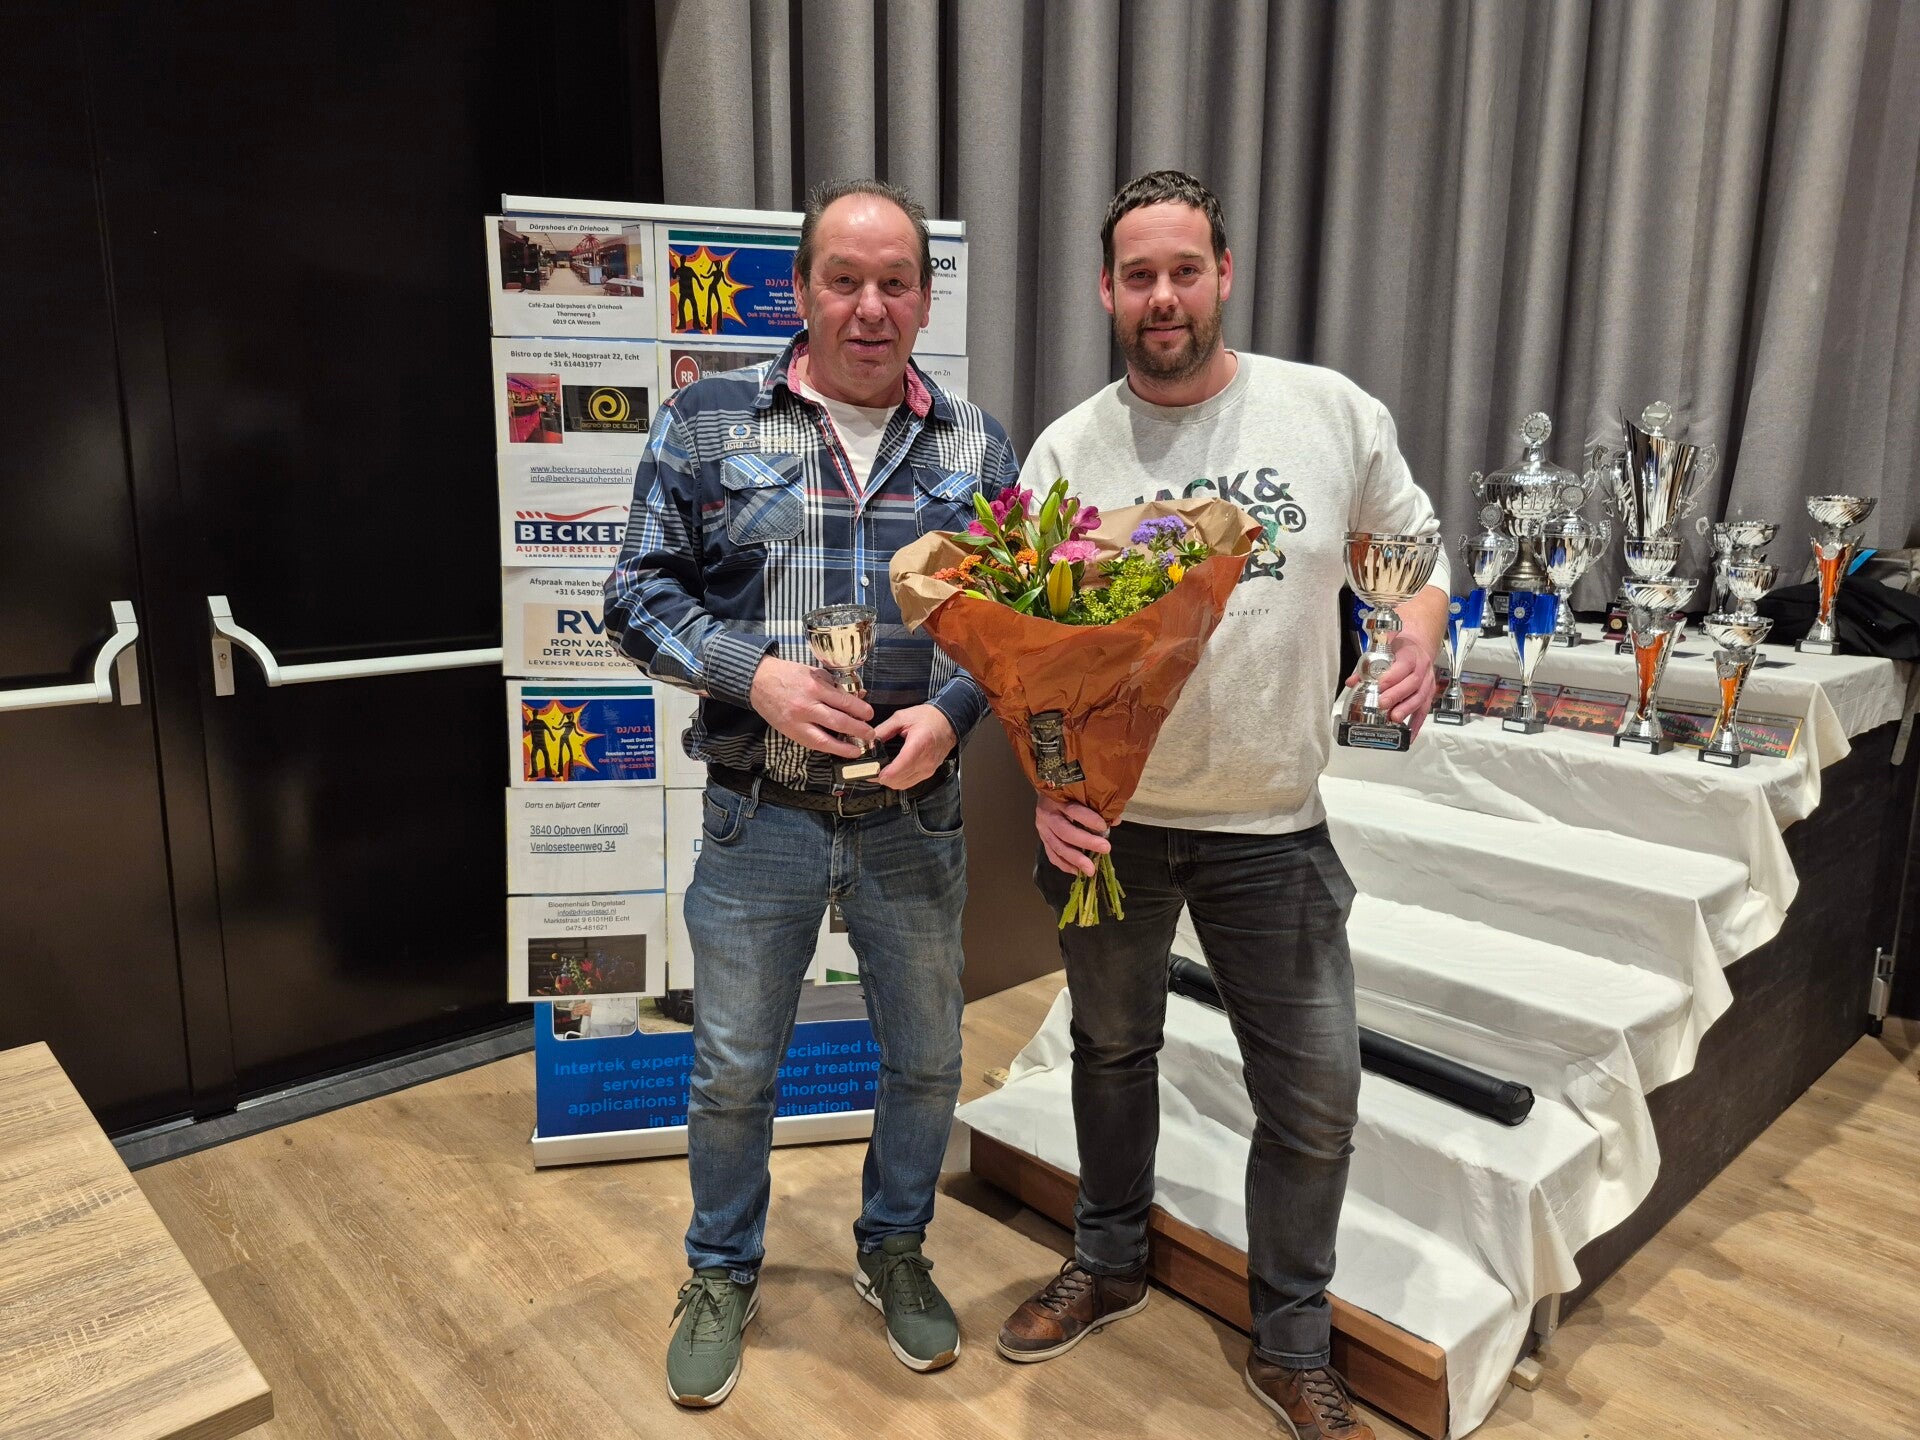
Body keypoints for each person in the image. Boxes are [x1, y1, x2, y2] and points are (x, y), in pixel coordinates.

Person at [995, 171, 1448, 1440]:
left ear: (1224, 275)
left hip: (1274, 832)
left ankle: (1292, 1341)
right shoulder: (1067, 451)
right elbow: (1025, 660)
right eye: (1138, 275)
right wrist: (1047, 788)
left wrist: (1416, 636)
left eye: (1184, 270)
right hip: (1114, 833)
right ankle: (1109, 1258)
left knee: (1313, 1100)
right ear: (1106, 289)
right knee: (1108, 1053)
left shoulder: (1329, 412)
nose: (1163, 296)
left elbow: (1411, 560)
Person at [604, 178, 1020, 1408]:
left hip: (913, 818)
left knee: (928, 1063)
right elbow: (632, 595)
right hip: (760, 813)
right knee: (734, 1067)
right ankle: (721, 1268)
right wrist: (758, 676)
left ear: (927, 299)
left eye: (896, 283)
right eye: (845, 280)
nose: (870, 306)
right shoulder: (706, 419)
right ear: (800, 290)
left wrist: (953, 714)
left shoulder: (976, 445)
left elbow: (1013, 627)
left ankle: (893, 1248)